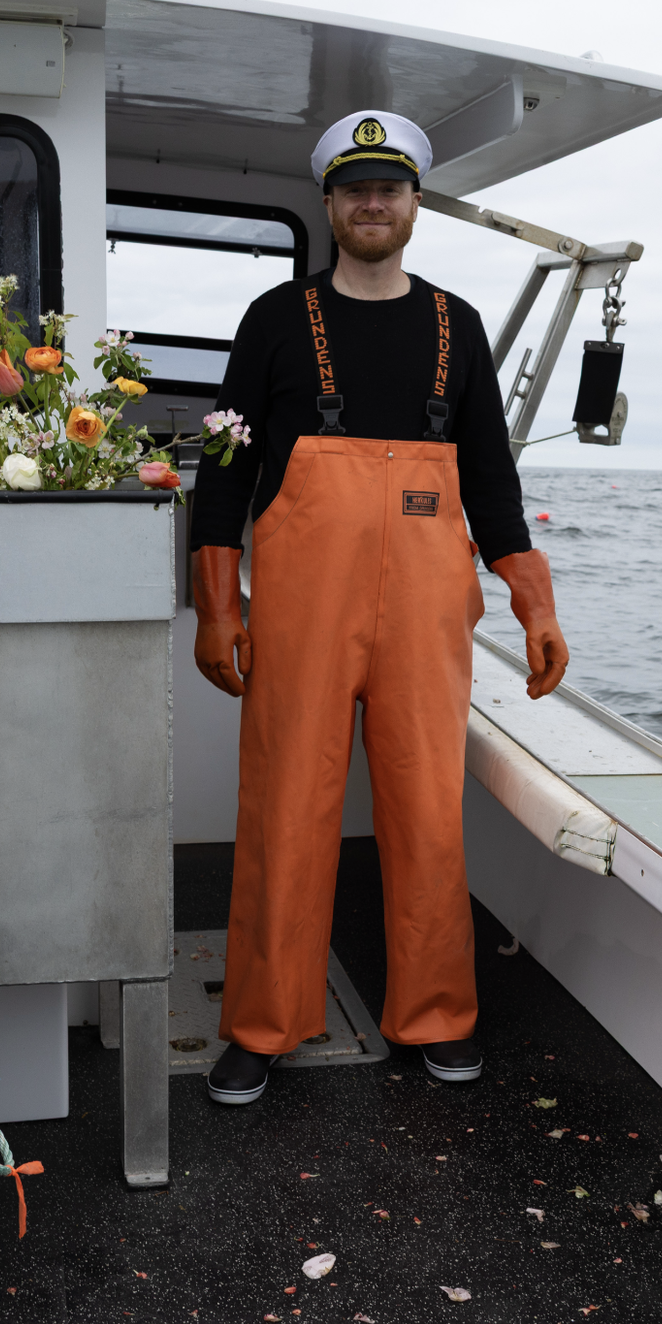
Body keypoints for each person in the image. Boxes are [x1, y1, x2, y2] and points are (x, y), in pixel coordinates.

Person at [189, 110, 572, 1105]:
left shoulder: (458, 326)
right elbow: (226, 470)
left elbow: (488, 477)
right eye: (355, 188)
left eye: (389, 188)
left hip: (425, 611)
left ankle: (437, 1014)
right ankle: (260, 1024)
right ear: (329, 203)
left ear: (412, 205)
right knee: (285, 810)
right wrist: (214, 601)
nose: (371, 203)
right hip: (299, 608)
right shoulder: (273, 321)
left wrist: (532, 598)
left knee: (425, 811)